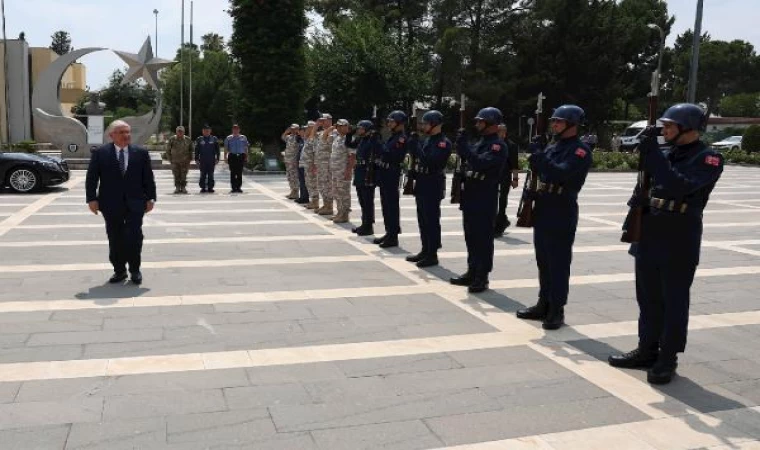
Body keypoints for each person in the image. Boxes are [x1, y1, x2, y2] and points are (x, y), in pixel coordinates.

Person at [608, 103, 724, 385]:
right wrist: (632, 220)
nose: (664, 130)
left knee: (673, 301)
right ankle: (647, 350)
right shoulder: (666, 152)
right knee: (647, 298)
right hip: (650, 230)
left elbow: (679, 186)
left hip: (678, 235)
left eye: (670, 126)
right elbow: (644, 188)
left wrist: (654, 157)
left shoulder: (709, 159)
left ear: (688, 128)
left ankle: (667, 357)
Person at [516, 105, 592, 330]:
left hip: (562, 207)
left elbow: (560, 172)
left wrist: (538, 156)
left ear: (572, 124)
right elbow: (543, 173)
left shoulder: (580, 151)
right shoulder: (553, 145)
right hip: (544, 205)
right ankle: (544, 302)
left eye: (559, 121)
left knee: (558, 262)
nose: (554, 124)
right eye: (554, 121)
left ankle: (557, 308)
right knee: (543, 260)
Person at [85, 120, 156, 285]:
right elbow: (92, 178)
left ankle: (135, 270)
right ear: (112, 135)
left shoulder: (141, 153)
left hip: (136, 203)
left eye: (128, 132)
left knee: (135, 236)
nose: (126, 135)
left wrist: (151, 198)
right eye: (122, 132)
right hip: (110, 203)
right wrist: (91, 199)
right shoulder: (100, 153)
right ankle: (119, 270)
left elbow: (148, 178)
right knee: (115, 237)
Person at [450, 107, 508, 293]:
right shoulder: (479, 142)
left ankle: (482, 276)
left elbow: (481, 162)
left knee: (483, 238)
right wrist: (461, 144)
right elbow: (468, 159)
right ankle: (472, 270)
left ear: (491, 123)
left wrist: (466, 147)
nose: (477, 124)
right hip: (472, 193)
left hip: (485, 195)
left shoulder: (497, 146)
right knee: (471, 235)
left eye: (480, 121)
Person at [405, 110, 451, 267]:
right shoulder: (428, 140)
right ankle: (425, 249)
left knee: (431, 219)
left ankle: (432, 254)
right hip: (423, 181)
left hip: (433, 183)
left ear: (434, 124)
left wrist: (416, 147)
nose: (422, 126)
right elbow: (419, 159)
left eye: (425, 123)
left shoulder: (442, 143)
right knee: (422, 218)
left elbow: (431, 162)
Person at [373, 110, 409, 248]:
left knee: (391, 206)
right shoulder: (393, 137)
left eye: (392, 121)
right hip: (385, 173)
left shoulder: (401, 139)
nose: (389, 123)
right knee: (385, 205)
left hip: (392, 173)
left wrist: (378, 143)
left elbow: (391, 155)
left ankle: (393, 236)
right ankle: (389, 232)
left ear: (400, 123)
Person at [348, 120, 381, 236]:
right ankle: (364, 223)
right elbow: (348, 144)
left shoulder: (373, 141)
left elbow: (378, 154)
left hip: (368, 173)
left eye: (361, 129)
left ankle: (368, 226)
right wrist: (349, 133)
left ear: (367, 130)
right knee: (362, 200)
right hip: (359, 172)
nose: (359, 130)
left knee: (368, 201)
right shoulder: (361, 139)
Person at [494, 123, 520, 237]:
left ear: (505, 132)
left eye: (500, 131)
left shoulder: (511, 145)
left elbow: (515, 164)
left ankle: (500, 223)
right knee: (492, 199)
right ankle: (500, 220)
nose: (498, 133)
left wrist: (515, 179)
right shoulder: (492, 143)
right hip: (493, 176)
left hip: (505, 175)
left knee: (503, 200)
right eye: (497, 131)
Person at [328, 119, 353, 223]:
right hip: (335, 171)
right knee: (336, 193)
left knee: (344, 193)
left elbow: (352, 157)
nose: (342, 127)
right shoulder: (337, 138)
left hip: (343, 171)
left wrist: (348, 171)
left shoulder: (350, 139)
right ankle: (339, 212)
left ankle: (344, 215)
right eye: (339, 126)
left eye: (344, 126)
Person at [315, 113, 335, 215]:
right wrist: (316, 126)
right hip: (321, 163)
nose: (321, 122)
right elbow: (311, 138)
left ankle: (329, 206)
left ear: (329, 120)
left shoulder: (334, 132)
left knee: (327, 185)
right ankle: (325, 204)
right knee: (321, 184)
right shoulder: (321, 132)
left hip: (328, 164)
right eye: (321, 120)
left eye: (324, 120)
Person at [165, 126, 194, 194]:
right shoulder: (172, 139)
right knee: (176, 175)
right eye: (179, 131)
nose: (180, 133)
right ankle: (177, 187)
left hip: (185, 161)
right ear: (176, 132)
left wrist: (190, 159)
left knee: (184, 175)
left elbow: (191, 150)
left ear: (183, 132)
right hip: (175, 161)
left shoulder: (187, 139)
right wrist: (170, 159)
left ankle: (183, 187)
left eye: (181, 131)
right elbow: (168, 150)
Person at [195, 124, 220, 193]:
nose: (206, 132)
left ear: (210, 131)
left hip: (211, 160)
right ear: (202, 131)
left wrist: (218, 158)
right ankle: (203, 188)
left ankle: (210, 187)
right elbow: (196, 150)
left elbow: (217, 150)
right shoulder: (199, 139)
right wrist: (196, 159)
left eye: (208, 130)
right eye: (205, 130)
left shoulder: (214, 138)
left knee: (211, 175)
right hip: (202, 160)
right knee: (203, 174)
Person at [225, 124, 249, 193]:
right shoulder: (228, 138)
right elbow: (226, 148)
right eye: (234, 129)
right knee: (232, 172)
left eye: (237, 129)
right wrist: (225, 157)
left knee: (239, 172)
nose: (235, 130)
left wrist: (246, 156)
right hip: (232, 156)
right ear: (232, 130)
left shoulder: (243, 137)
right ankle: (233, 188)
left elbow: (245, 147)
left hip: (241, 156)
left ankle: (238, 187)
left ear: (239, 130)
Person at [301, 120, 320, 209]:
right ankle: (313, 201)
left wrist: (314, 165)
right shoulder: (308, 138)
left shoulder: (315, 138)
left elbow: (316, 153)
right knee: (309, 183)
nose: (306, 129)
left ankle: (315, 202)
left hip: (311, 165)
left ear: (312, 128)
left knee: (313, 183)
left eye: (308, 128)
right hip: (307, 164)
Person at [281, 123, 301, 199]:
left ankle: (295, 192)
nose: (292, 130)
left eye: (294, 129)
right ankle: (292, 191)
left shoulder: (298, 138)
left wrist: (298, 132)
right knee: (289, 176)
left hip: (294, 160)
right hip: (288, 160)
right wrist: (286, 131)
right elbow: (283, 137)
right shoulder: (289, 137)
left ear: (297, 129)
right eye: (291, 129)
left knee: (294, 176)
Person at [296, 124, 311, 204]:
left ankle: (305, 197)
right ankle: (302, 197)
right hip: (301, 163)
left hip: (306, 164)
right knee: (301, 181)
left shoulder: (308, 140)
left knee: (306, 181)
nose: (300, 132)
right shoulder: (301, 140)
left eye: (302, 131)